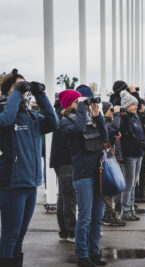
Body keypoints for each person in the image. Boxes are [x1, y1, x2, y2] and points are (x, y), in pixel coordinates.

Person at [0, 69, 59, 266]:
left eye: (24, 88)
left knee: (19, 238)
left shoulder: (31, 117)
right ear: (9, 91)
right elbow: (6, 119)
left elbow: (53, 122)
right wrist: (16, 92)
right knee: (9, 236)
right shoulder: (4, 115)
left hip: (31, 185)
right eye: (18, 87)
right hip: (12, 186)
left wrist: (40, 94)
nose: (23, 91)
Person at [59, 89, 108, 267]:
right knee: (85, 218)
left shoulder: (88, 119)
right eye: (77, 102)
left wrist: (98, 116)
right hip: (82, 174)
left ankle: (94, 252)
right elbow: (78, 129)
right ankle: (82, 255)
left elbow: (105, 137)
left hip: (98, 172)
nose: (82, 105)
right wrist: (81, 107)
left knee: (97, 217)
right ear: (70, 104)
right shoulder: (65, 122)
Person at [50, 97, 76, 243]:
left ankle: (65, 231)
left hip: (60, 161)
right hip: (66, 161)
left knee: (64, 196)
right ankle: (71, 231)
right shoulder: (65, 118)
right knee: (69, 196)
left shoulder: (59, 116)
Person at [119, 90, 145, 221]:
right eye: (133, 105)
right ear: (126, 106)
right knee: (128, 184)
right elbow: (126, 134)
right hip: (130, 155)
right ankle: (125, 211)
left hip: (138, 153)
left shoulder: (135, 117)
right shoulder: (124, 119)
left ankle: (130, 209)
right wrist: (123, 115)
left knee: (133, 183)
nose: (136, 107)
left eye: (136, 104)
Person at [101, 101, 126, 226]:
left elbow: (115, 129)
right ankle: (107, 215)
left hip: (110, 158)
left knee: (110, 188)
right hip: (105, 160)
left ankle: (109, 214)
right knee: (108, 188)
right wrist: (117, 113)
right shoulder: (103, 122)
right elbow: (115, 127)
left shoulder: (107, 122)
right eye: (110, 109)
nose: (113, 112)